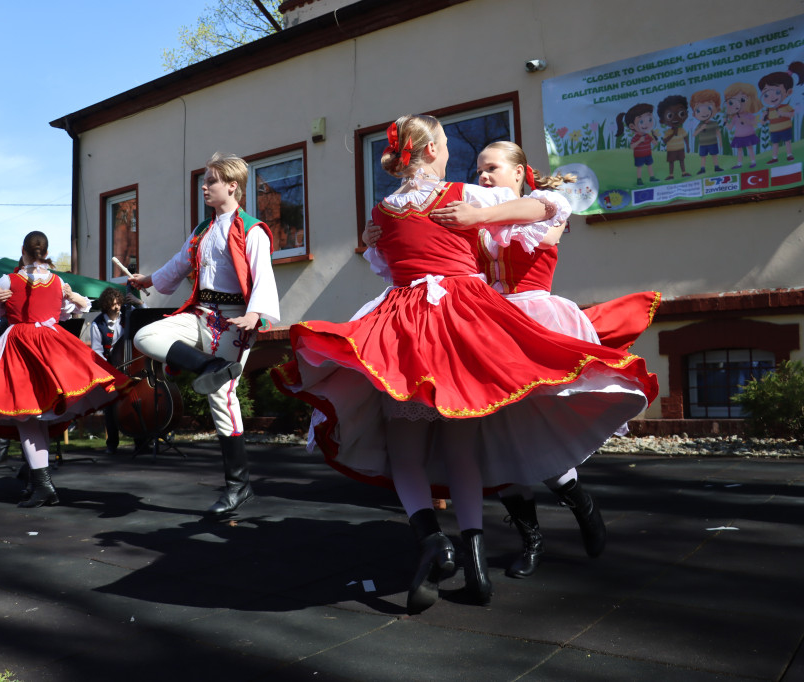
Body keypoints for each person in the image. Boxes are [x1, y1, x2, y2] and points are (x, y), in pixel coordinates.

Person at [272, 114, 657, 613]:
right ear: (431, 150)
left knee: (444, 441)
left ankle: (452, 538)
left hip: (436, 321)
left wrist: (385, 234)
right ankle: (486, 558)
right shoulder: (463, 195)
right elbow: (546, 204)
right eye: (452, 145)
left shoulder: (392, 207)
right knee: (475, 442)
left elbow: (389, 259)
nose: (477, 169)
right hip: (466, 319)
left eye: (493, 166)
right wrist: (467, 219)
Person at [377, 140, 659, 579]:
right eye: (479, 169)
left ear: (520, 173)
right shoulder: (471, 212)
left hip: (532, 321)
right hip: (484, 325)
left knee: (532, 428)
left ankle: (579, 501)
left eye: (492, 168)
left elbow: (548, 214)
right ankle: (532, 538)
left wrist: (481, 215)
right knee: (493, 436)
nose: (483, 176)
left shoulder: (537, 209)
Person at [0, 231, 133, 508]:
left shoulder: (9, 280)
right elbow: (78, 307)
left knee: (28, 416)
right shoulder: (58, 281)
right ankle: (38, 482)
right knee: (36, 416)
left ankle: (43, 485)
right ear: (45, 252)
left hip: (19, 347)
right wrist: (71, 296)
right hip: (51, 347)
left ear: (22, 250)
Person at [128, 152, 280, 516]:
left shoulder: (251, 229)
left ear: (232, 186)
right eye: (205, 181)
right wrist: (147, 281)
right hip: (199, 314)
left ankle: (237, 487)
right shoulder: (202, 230)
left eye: (211, 181)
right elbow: (180, 264)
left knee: (222, 401)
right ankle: (212, 367)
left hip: (233, 321)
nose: (205, 187)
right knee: (145, 337)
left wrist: (255, 314)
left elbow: (263, 274)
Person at [90, 286, 142, 455]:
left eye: (119, 304)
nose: (117, 307)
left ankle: (140, 442)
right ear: (106, 305)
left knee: (136, 405)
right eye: (113, 305)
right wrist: (109, 369)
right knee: (110, 408)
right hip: (111, 368)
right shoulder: (98, 324)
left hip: (132, 366)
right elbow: (97, 351)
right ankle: (112, 444)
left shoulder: (128, 315)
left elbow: (146, 317)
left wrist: (139, 303)